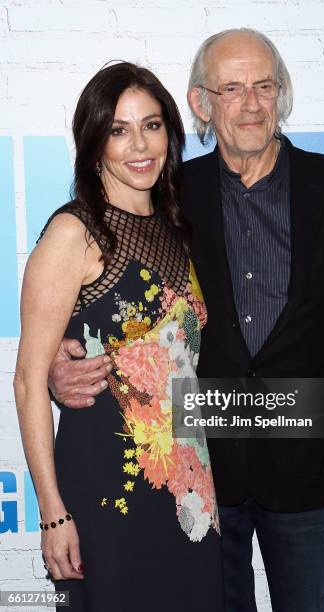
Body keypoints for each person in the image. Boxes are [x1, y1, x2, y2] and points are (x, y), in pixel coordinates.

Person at [48, 30, 324, 612]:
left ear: (282, 94)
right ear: (201, 103)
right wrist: (65, 353)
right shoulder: (167, 196)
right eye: (231, 88)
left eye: (264, 85)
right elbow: (115, 291)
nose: (251, 103)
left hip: (309, 468)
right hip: (200, 475)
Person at [13, 61, 224, 612]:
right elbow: (29, 381)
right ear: (94, 142)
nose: (140, 145)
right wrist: (53, 512)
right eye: (119, 129)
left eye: (152, 125)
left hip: (190, 487)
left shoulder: (177, 227)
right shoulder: (74, 232)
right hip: (108, 487)